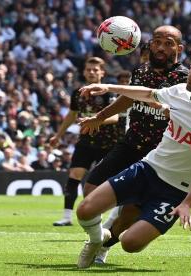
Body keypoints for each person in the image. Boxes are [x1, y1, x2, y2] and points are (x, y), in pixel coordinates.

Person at [75, 48, 191, 269]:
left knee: (129, 243)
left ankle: (115, 236)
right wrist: (108, 87)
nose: (190, 76)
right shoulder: (181, 91)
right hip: (148, 168)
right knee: (85, 210)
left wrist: (188, 203)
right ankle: (97, 240)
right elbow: (147, 93)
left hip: (176, 191)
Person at [51, 57, 126, 226]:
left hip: (108, 143)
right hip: (85, 142)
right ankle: (66, 217)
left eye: (95, 70)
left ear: (102, 73)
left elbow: (114, 117)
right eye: (89, 70)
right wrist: (58, 135)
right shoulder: (78, 93)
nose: (91, 72)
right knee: (74, 176)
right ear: (84, 72)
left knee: (112, 181)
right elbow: (71, 115)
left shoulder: (109, 92)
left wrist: (96, 120)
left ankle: (114, 217)